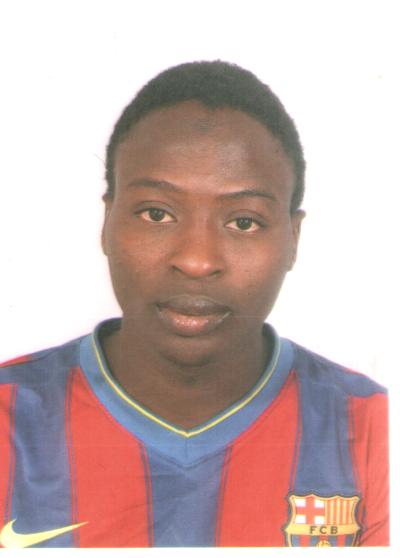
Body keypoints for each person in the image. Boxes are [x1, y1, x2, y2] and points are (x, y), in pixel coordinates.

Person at [0, 61, 388, 548]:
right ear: (107, 222)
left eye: (243, 222)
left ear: (293, 238)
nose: (197, 261)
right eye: (156, 213)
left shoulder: (372, 432)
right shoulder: (8, 420)